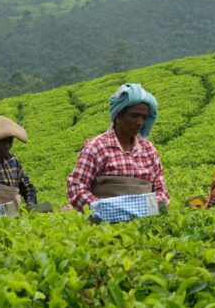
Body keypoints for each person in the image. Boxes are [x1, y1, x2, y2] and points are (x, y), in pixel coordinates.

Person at [66, 83, 169, 212]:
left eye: (144, 117)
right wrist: (104, 210)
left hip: (145, 220)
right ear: (118, 116)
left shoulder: (149, 150)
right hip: (104, 222)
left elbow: (162, 191)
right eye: (134, 115)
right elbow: (76, 187)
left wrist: (141, 210)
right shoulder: (96, 147)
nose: (140, 122)